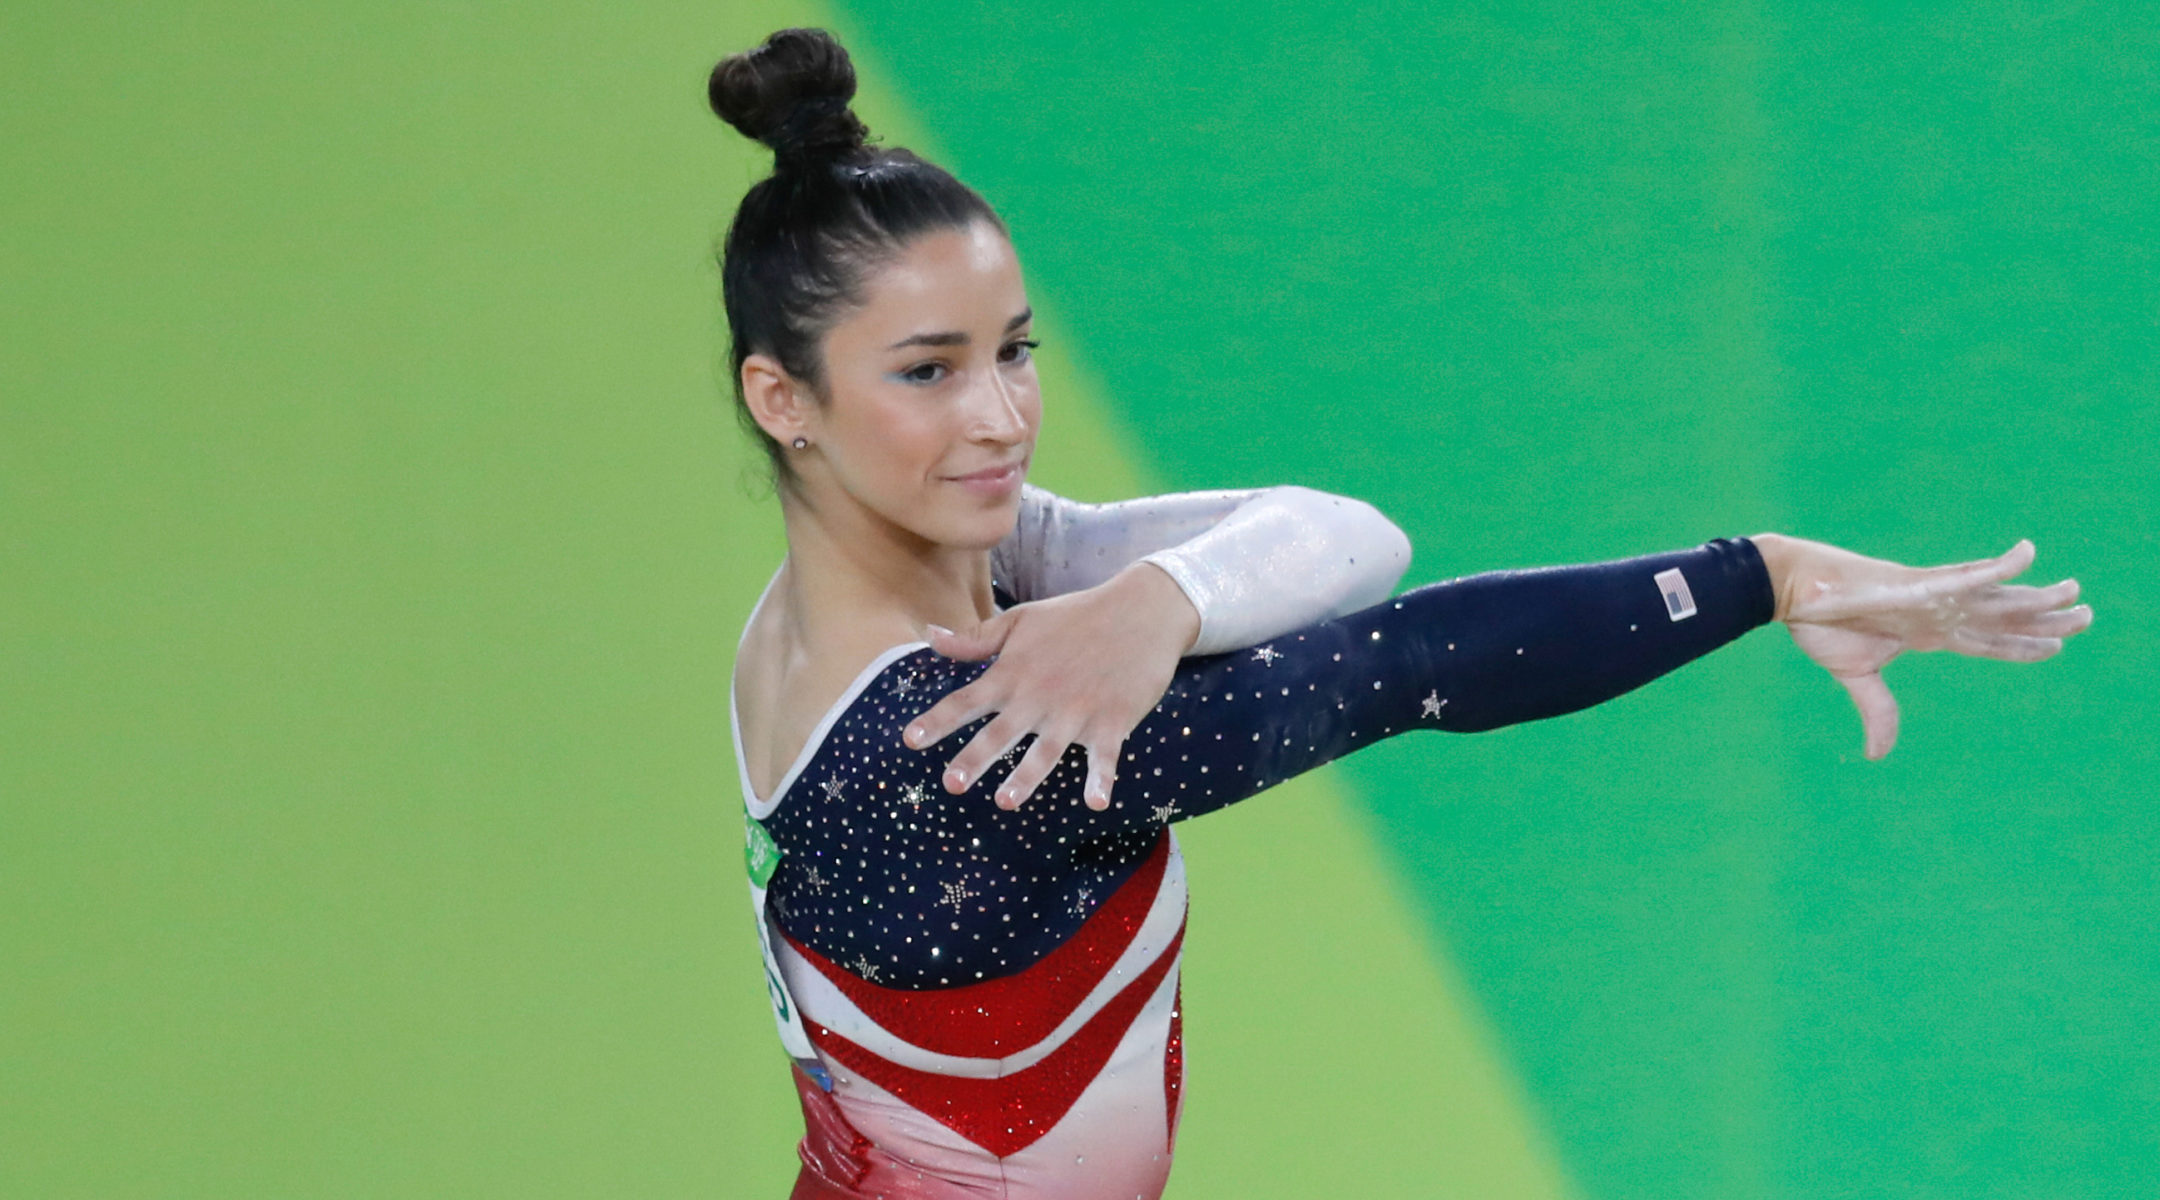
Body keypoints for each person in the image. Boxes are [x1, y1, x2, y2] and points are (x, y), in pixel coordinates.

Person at [711, 28, 2092, 1200]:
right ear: (786, 398)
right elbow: (1413, 659)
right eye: (927, 372)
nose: (1001, 419)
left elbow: (1350, 540)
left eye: (1015, 351)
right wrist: (1768, 577)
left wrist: (1161, 600)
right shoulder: (963, 733)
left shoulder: (927, 588)